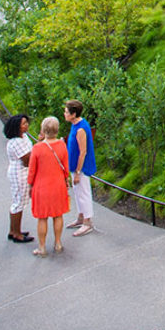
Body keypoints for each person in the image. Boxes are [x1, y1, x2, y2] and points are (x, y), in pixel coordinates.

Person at [28, 116, 69, 257]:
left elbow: (32, 170)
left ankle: (42, 247)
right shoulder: (62, 145)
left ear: (43, 129)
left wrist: (30, 185)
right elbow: (66, 167)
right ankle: (58, 243)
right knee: (58, 215)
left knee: (42, 217)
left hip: (42, 186)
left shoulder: (37, 148)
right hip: (58, 185)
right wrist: (66, 179)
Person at [64, 100, 97, 237]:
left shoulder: (81, 129)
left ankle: (87, 222)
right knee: (77, 192)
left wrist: (78, 172)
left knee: (83, 192)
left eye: (66, 112)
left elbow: (83, 152)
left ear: (73, 114)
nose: (64, 114)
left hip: (81, 168)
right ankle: (81, 216)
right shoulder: (74, 125)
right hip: (73, 165)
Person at [4, 114, 35, 244]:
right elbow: (27, 160)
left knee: (19, 201)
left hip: (22, 172)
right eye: (23, 124)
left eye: (26, 123)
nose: (26, 125)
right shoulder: (16, 142)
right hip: (19, 173)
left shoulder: (24, 137)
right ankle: (16, 233)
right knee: (19, 203)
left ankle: (14, 230)